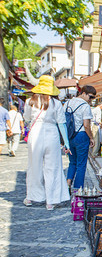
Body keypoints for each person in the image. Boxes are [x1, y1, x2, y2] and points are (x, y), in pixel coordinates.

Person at [23, 75, 71, 210]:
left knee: (34, 166)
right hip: (52, 135)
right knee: (53, 168)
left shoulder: (30, 101)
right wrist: (66, 143)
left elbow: (26, 118)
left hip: (35, 134)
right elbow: (62, 124)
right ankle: (51, 200)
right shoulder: (56, 104)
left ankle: (32, 197)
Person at [65, 85, 96, 189]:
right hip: (82, 135)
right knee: (81, 164)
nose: (90, 100)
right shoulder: (85, 106)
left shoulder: (68, 103)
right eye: (90, 97)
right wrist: (91, 137)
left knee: (72, 161)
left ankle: (68, 182)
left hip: (70, 135)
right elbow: (86, 125)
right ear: (83, 93)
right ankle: (78, 189)